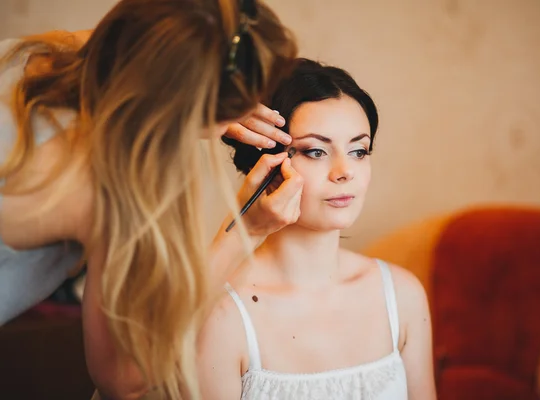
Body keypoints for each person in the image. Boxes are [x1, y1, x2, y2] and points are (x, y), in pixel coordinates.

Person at [0, 0, 303, 398]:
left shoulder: (29, 56)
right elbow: (124, 376)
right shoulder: (115, 187)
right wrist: (244, 230)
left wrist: (195, 94)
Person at [197, 58, 437, 399]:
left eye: (358, 150)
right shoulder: (222, 315)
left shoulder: (402, 296)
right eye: (315, 151)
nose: (344, 172)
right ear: (264, 164)